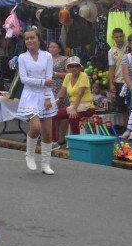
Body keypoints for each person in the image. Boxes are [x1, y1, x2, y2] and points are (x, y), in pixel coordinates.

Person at [17, 27, 56, 174]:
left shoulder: (47, 56)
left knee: (47, 133)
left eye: (32, 37)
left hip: (45, 96)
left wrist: (47, 97)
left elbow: (49, 78)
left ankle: (45, 164)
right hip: (30, 96)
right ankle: (29, 153)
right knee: (36, 127)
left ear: (39, 40)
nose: (29, 41)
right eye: (27, 38)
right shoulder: (22, 57)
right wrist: (42, 82)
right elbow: (24, 79)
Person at [54, 56, 94, 146]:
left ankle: (77, 141)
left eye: (76, 66)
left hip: (86, 106)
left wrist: (74, 109)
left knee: (73, 116)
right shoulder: (67, 76)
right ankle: (52, 140)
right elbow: (61, 93)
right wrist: (54, 104)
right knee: (52, 115)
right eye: (71, 66)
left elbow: (80, 94)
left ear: (80, 67)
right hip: (74, 106)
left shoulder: (83, 76)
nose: (74, 68)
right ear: (67, 68)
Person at [107, 27, 129, 127]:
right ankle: (127, 129)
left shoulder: (129, 47)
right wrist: (111, 84)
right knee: (122, 108)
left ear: (123, 36)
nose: (119, 39)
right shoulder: (111, 51)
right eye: (116, 37)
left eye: (120, 36)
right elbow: (111, 68)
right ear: (113, 38)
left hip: (130, 80)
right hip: (119, 81)